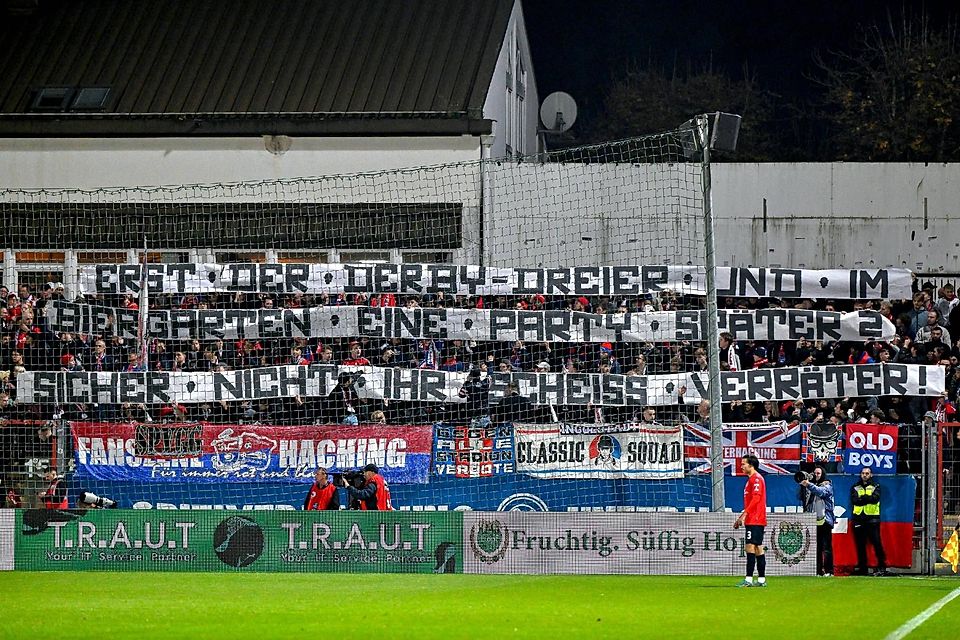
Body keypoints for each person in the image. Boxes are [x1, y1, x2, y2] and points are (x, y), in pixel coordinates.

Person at [734, 454, 767, 587]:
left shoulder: (756, 479)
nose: (741, 466)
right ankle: (761, 580)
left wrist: (743, 515)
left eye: (743, 464)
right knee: (758, 548)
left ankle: (748, 579)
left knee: (750, 547)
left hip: (755, 518)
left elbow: (756, 498)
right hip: (755, 518)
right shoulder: (751, 480)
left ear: (751, 465)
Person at [851, 467, 888, 575]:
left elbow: (875, 499)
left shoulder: (876, 486)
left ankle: (882, 566)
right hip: (858, 518)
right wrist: (867, 498)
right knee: (860, 545)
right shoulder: (855, 487)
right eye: (863, 473)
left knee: (877, 543)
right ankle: (863, 568)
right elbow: (854, 501)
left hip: (872, 519)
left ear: (871, 475)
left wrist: (862, 498)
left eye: (867, 473)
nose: (865, 475)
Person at [800, 466, 835, 576]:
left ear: (823, 474)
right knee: (817, 548)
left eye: (818, 473)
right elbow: (806, 501)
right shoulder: (811, 487)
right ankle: (818, 571)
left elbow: (821, 492)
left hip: (826, 520)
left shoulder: (827, 485)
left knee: (827, 547)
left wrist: (809, 484)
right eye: (814, 473)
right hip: (814, 520)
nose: (816, 475)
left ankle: (829, 571)